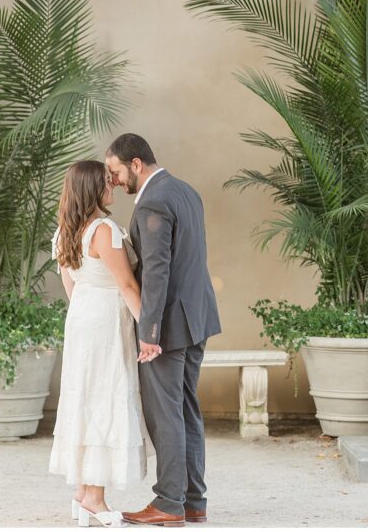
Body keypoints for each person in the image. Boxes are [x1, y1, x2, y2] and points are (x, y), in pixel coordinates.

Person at [105, 134, 222, 528]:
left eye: (116, 172)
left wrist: (148, 331)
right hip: (198, 318)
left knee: (166, 412)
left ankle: (169, 503)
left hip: (168, 326)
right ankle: (194, 501)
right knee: (186, 407)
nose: (115, 181)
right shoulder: (186, 191)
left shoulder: (153, 201)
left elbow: (157, 270)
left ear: (135, 164)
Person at [49, 160, 154, 528]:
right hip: (107, 320)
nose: (113, 185)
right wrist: (150, 331)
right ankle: (94, 497)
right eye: (107, 182)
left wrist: (86, 311)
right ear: (94, 189)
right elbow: (127, 286)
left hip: (81, 318)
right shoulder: (104, 230)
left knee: (85, 398)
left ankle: (82, 491)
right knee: (104, 399)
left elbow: (71, 288)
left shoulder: (65, 232)